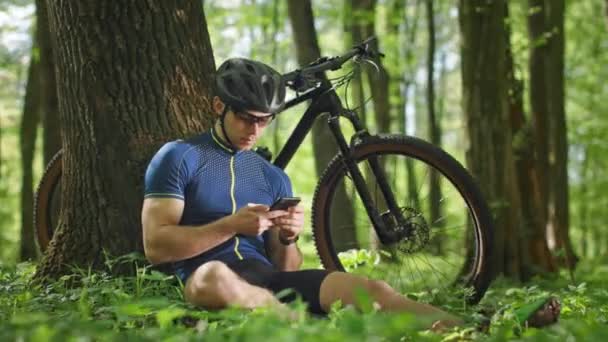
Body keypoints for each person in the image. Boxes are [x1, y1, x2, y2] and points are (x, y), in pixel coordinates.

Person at [141, 58, 558, 331]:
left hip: (270, 279)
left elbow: (285, 266)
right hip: (205, 279)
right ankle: (307, 330)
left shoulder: (271, 176)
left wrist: (287, 237)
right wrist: (231, 225)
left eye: (264, 121)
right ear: (218, 106)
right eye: (245, 118)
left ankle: (482, 330)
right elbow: (157, 247)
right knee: (216, 277)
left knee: (373, 292)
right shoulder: (180, 156)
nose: (254, 130)